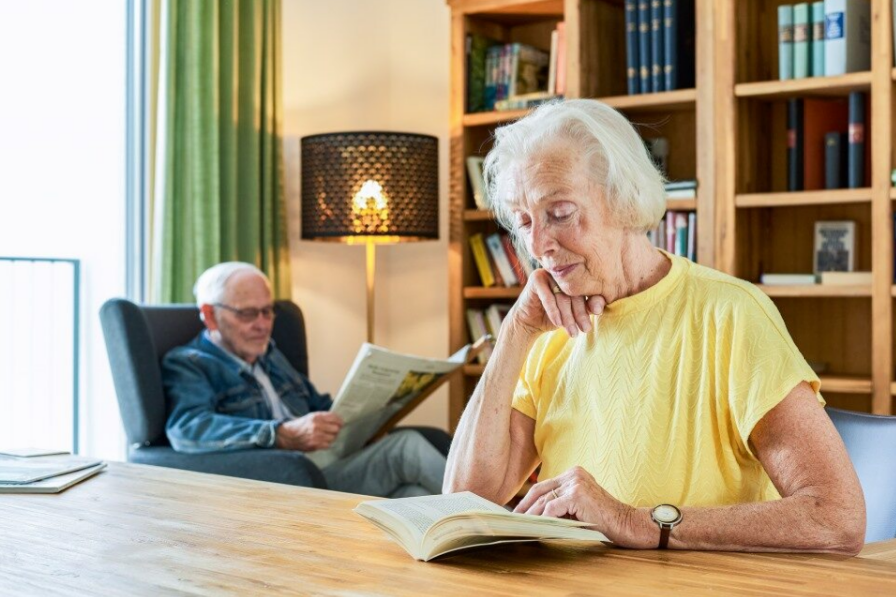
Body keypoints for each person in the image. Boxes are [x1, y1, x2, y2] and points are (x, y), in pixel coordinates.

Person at [443, 99, 866, 555]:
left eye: (560, 213)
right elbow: (465, 502)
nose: (539, 245)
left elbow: (835, 517)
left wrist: (638, 521)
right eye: (524, 222)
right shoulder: (548, 331)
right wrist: (517, 330)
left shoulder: (731, 316)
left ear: (624, 199)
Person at [162, 262, 446, 498]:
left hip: (328, 460)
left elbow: (318, 405)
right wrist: (281, 433)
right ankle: (492, 520)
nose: (262, 324)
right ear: (210, 315)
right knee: (405, 448)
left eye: (267, 311)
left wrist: (370, 419)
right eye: (248, 313)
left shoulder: (270, 354)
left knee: (412, 496)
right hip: (288, 479)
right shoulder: (190, 363)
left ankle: (482, 554)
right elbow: (187, 429)